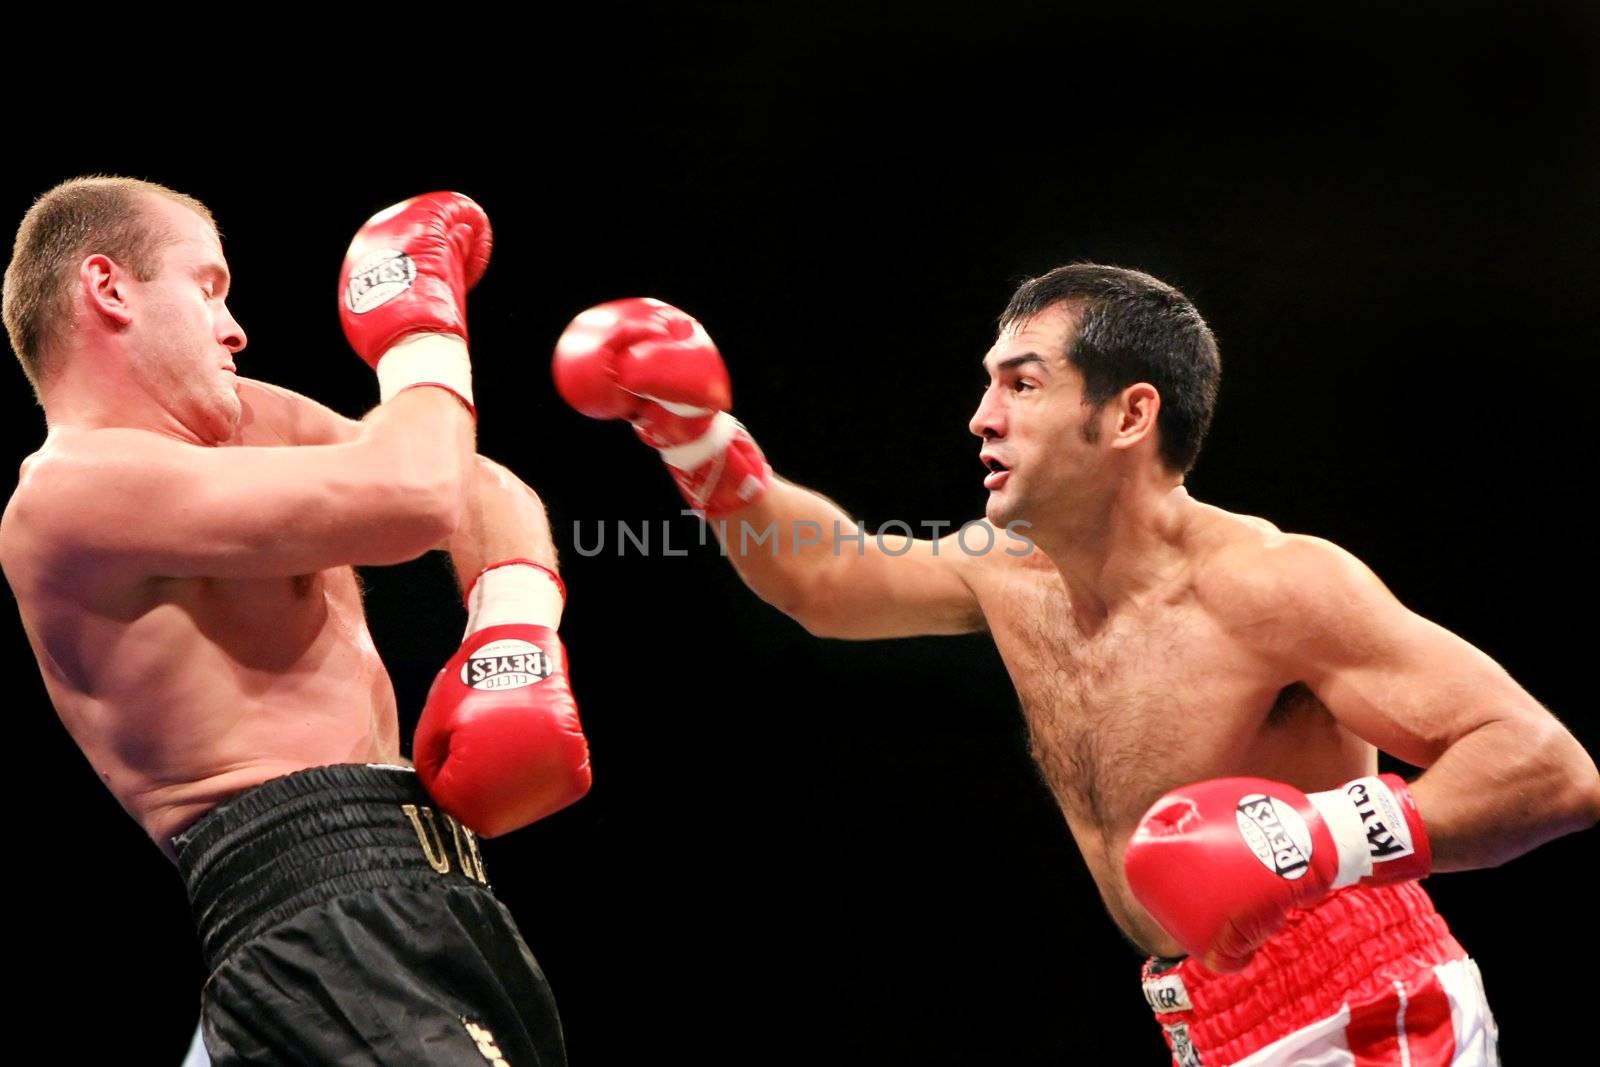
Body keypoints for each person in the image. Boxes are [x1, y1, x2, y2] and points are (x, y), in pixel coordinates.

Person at [551, 271, 1600, 1066]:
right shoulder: (1010, 572)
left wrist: (1315, 837)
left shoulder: (1274, 586)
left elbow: (1549, 768)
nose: (981, 416)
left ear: (1129, 413)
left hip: (1369, 1002)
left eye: (1022, 381)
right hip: (1208, 1017)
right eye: (986, 384)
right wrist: (693, 437)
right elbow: (827, 582)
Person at [1, 177, 590, 1064]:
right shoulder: (67, 493)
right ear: (109, 288)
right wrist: (421, 323)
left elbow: (477, 485)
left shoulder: (252, 426)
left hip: (433, 896)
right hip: (315, 913)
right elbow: (420, 491)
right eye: (209, 287)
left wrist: (513, 629)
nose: (234, 327)